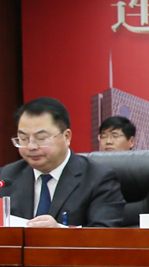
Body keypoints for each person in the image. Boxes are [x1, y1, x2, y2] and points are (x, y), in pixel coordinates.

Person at [1, 97, 125, 228]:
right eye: (23, 138)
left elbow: (105, 234)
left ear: (66, 137)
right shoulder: (6, 176)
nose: (31, 146)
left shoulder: (99, 179)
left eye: (41, 138)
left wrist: (60, 232)